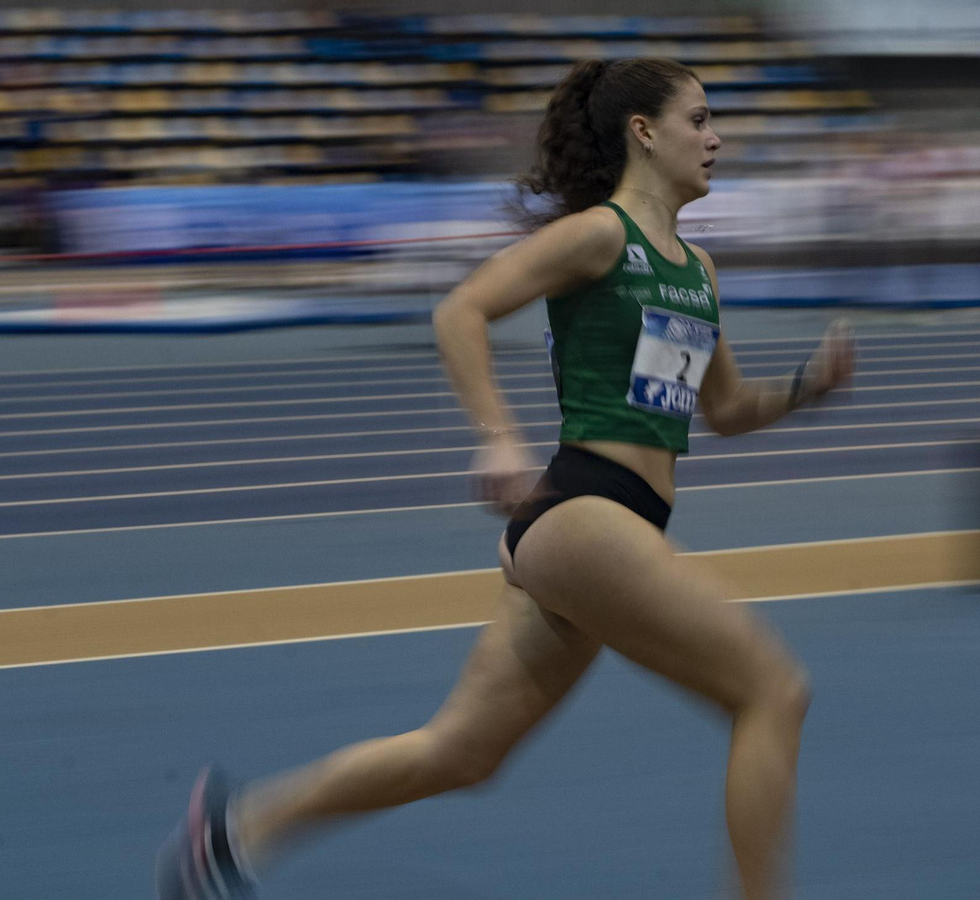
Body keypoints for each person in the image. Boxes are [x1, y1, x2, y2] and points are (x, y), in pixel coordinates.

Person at [156, 57, 856, 900]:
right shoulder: (601, 235)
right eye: (699, 119)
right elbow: (462, 310)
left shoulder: (697, 271)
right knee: (774, 691)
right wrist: (497, 441)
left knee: (462, 752)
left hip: (599, 530)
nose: (716, 138)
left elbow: (729, 408)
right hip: (585, 510)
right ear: (644, 132)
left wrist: (807, 388)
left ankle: (235, 830)